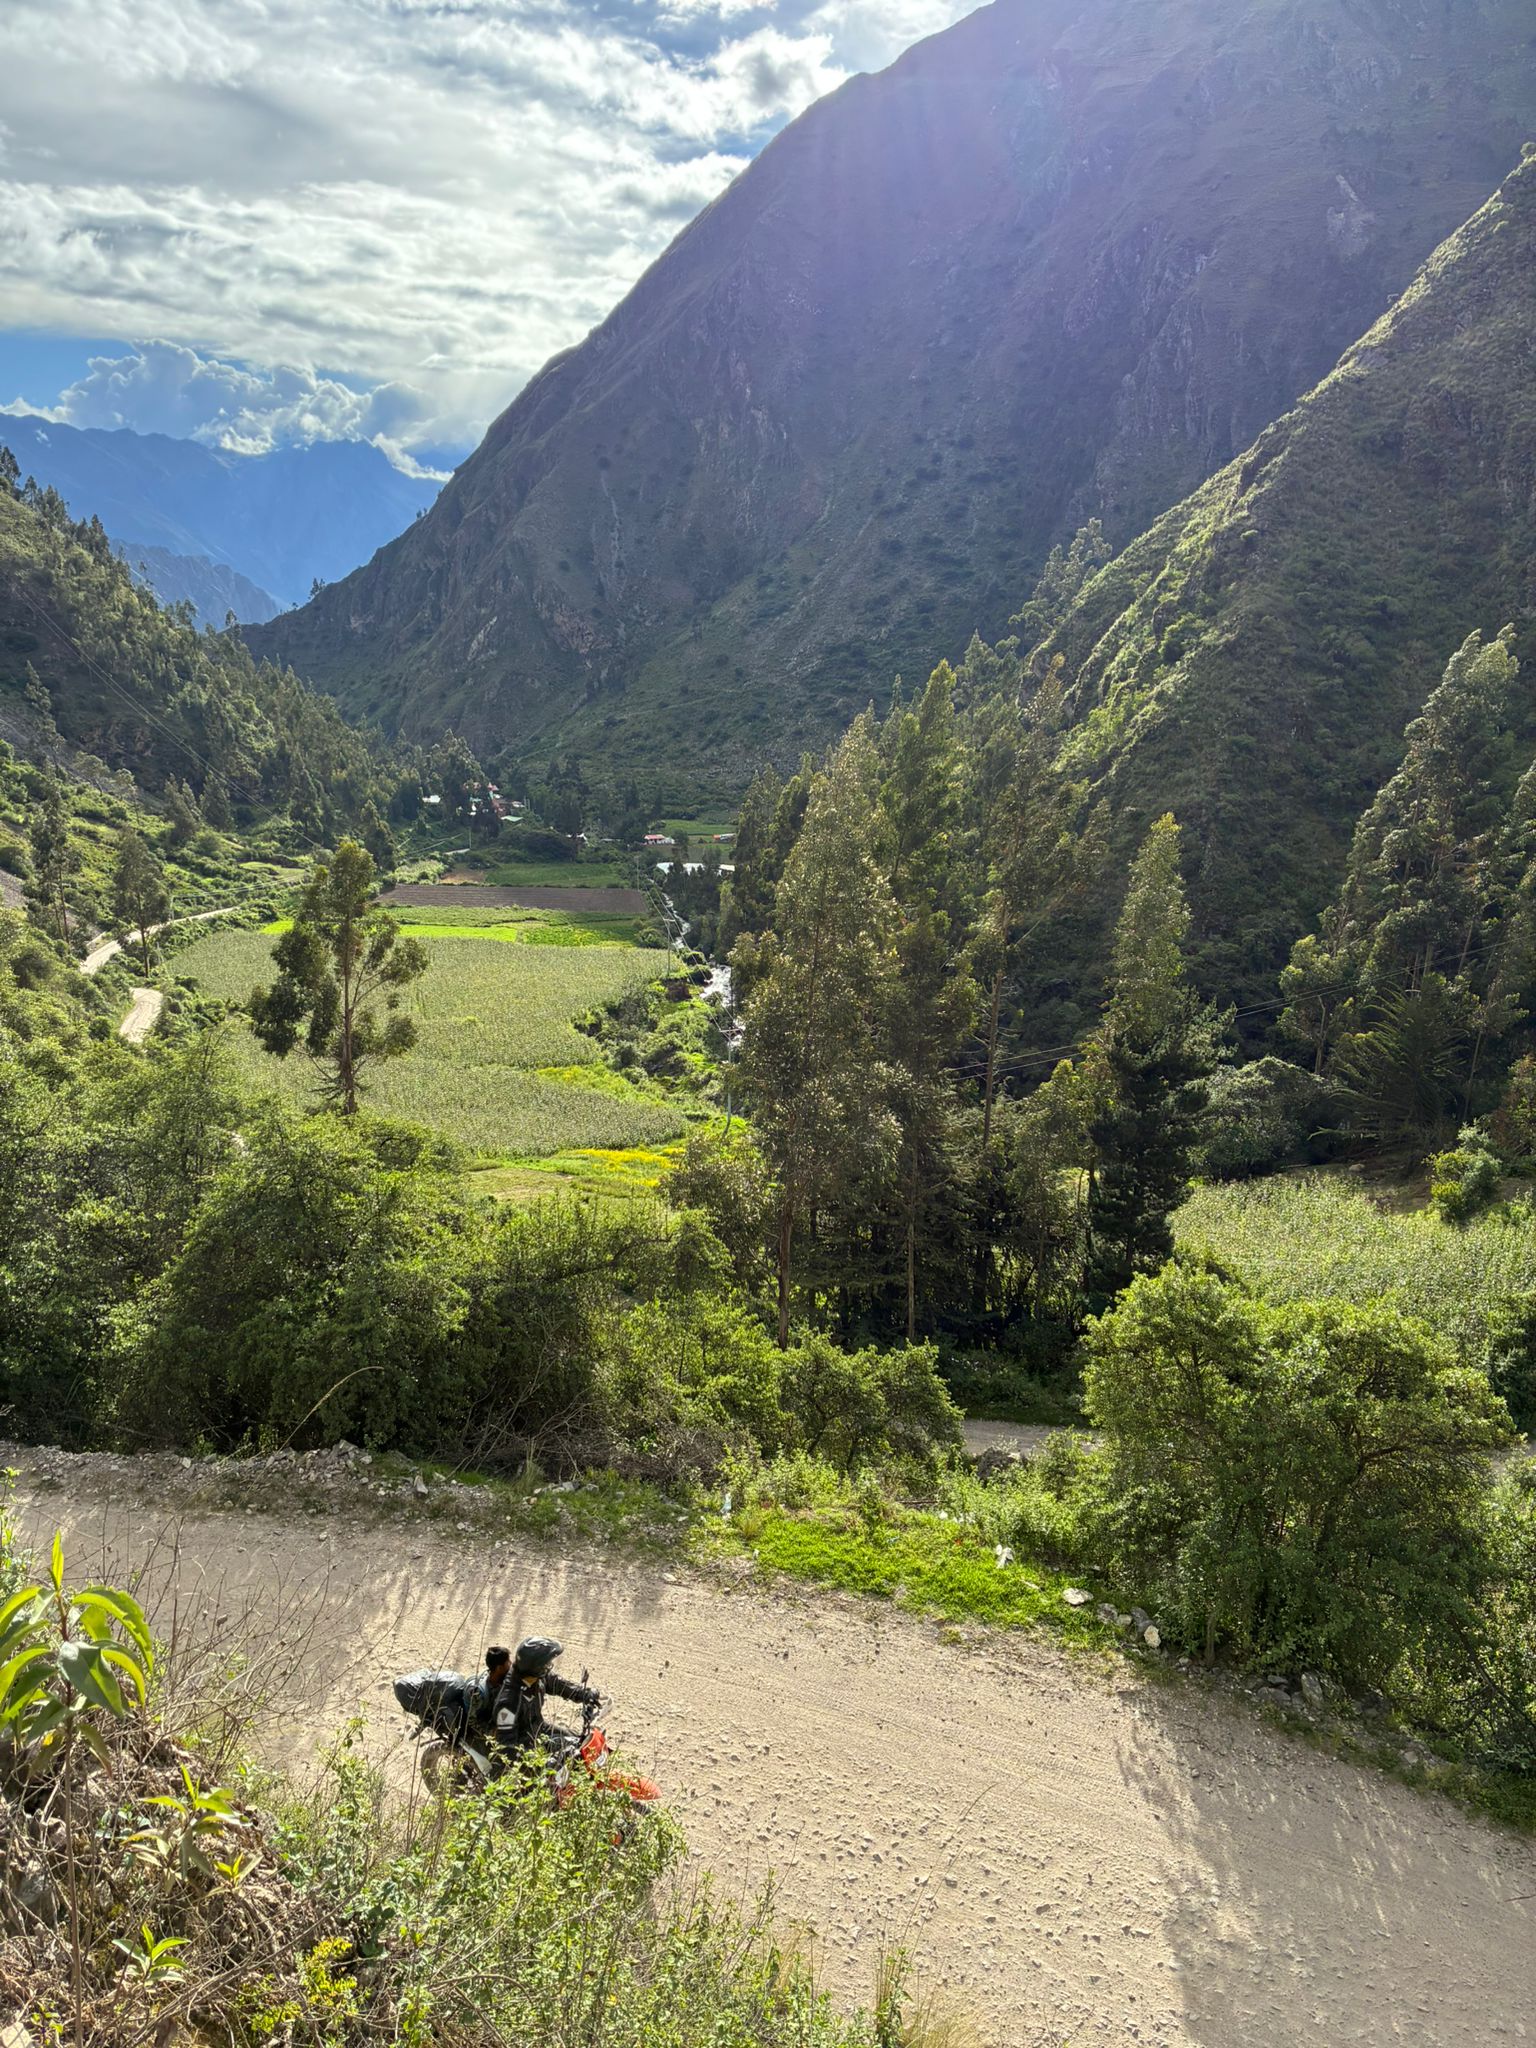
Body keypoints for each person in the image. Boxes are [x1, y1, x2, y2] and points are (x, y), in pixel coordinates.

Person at [492, 1635, 599, 1763]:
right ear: (536, 1667)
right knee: (569, 1757)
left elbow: (559, 1684)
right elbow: (506, 1748)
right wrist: (545, 1762)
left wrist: (585, 1694)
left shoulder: (535, 1677)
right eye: (545, 1664)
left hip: (540, 1728)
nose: (549, 1666)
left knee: (579, 1741)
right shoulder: (508, 1702)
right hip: (524, 1744)